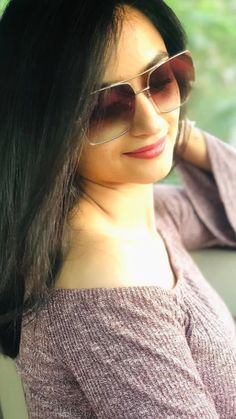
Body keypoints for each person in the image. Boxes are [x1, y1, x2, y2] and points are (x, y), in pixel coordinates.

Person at [0, 0, 235, 417]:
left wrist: (181, 134)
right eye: (106, 106)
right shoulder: (109, 279)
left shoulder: (146, 217)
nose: (150, 122)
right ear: (45, 126)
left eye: (162, 79)